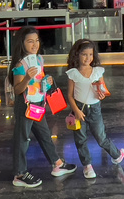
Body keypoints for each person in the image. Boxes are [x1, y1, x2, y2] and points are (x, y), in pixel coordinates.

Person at [10, 27, 77, 188]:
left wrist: (46, 80)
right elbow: (18, 89)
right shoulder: (21, 63)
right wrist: (27, 78)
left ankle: (57, 163)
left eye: (36, 41)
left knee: (45, 134)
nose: (34, 45)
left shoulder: (39, 59)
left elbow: (39, 79)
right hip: (25, 105)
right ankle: (19, 173)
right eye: (30, 41)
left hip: (39, 102)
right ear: (22, 43)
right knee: (22, 138)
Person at [65, 39, 124, 179]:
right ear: (77, 55)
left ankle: (117, 155)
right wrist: (76, 111)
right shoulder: (73, 73)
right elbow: (69, 95)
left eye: (90, 55)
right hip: (79, 109)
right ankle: (87, 166)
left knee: (101, 137)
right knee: (80, 139)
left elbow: (102, 90)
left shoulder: (98, 71)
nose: (88, 58)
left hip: (95, 109)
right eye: (84, 54)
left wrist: (101, 95)